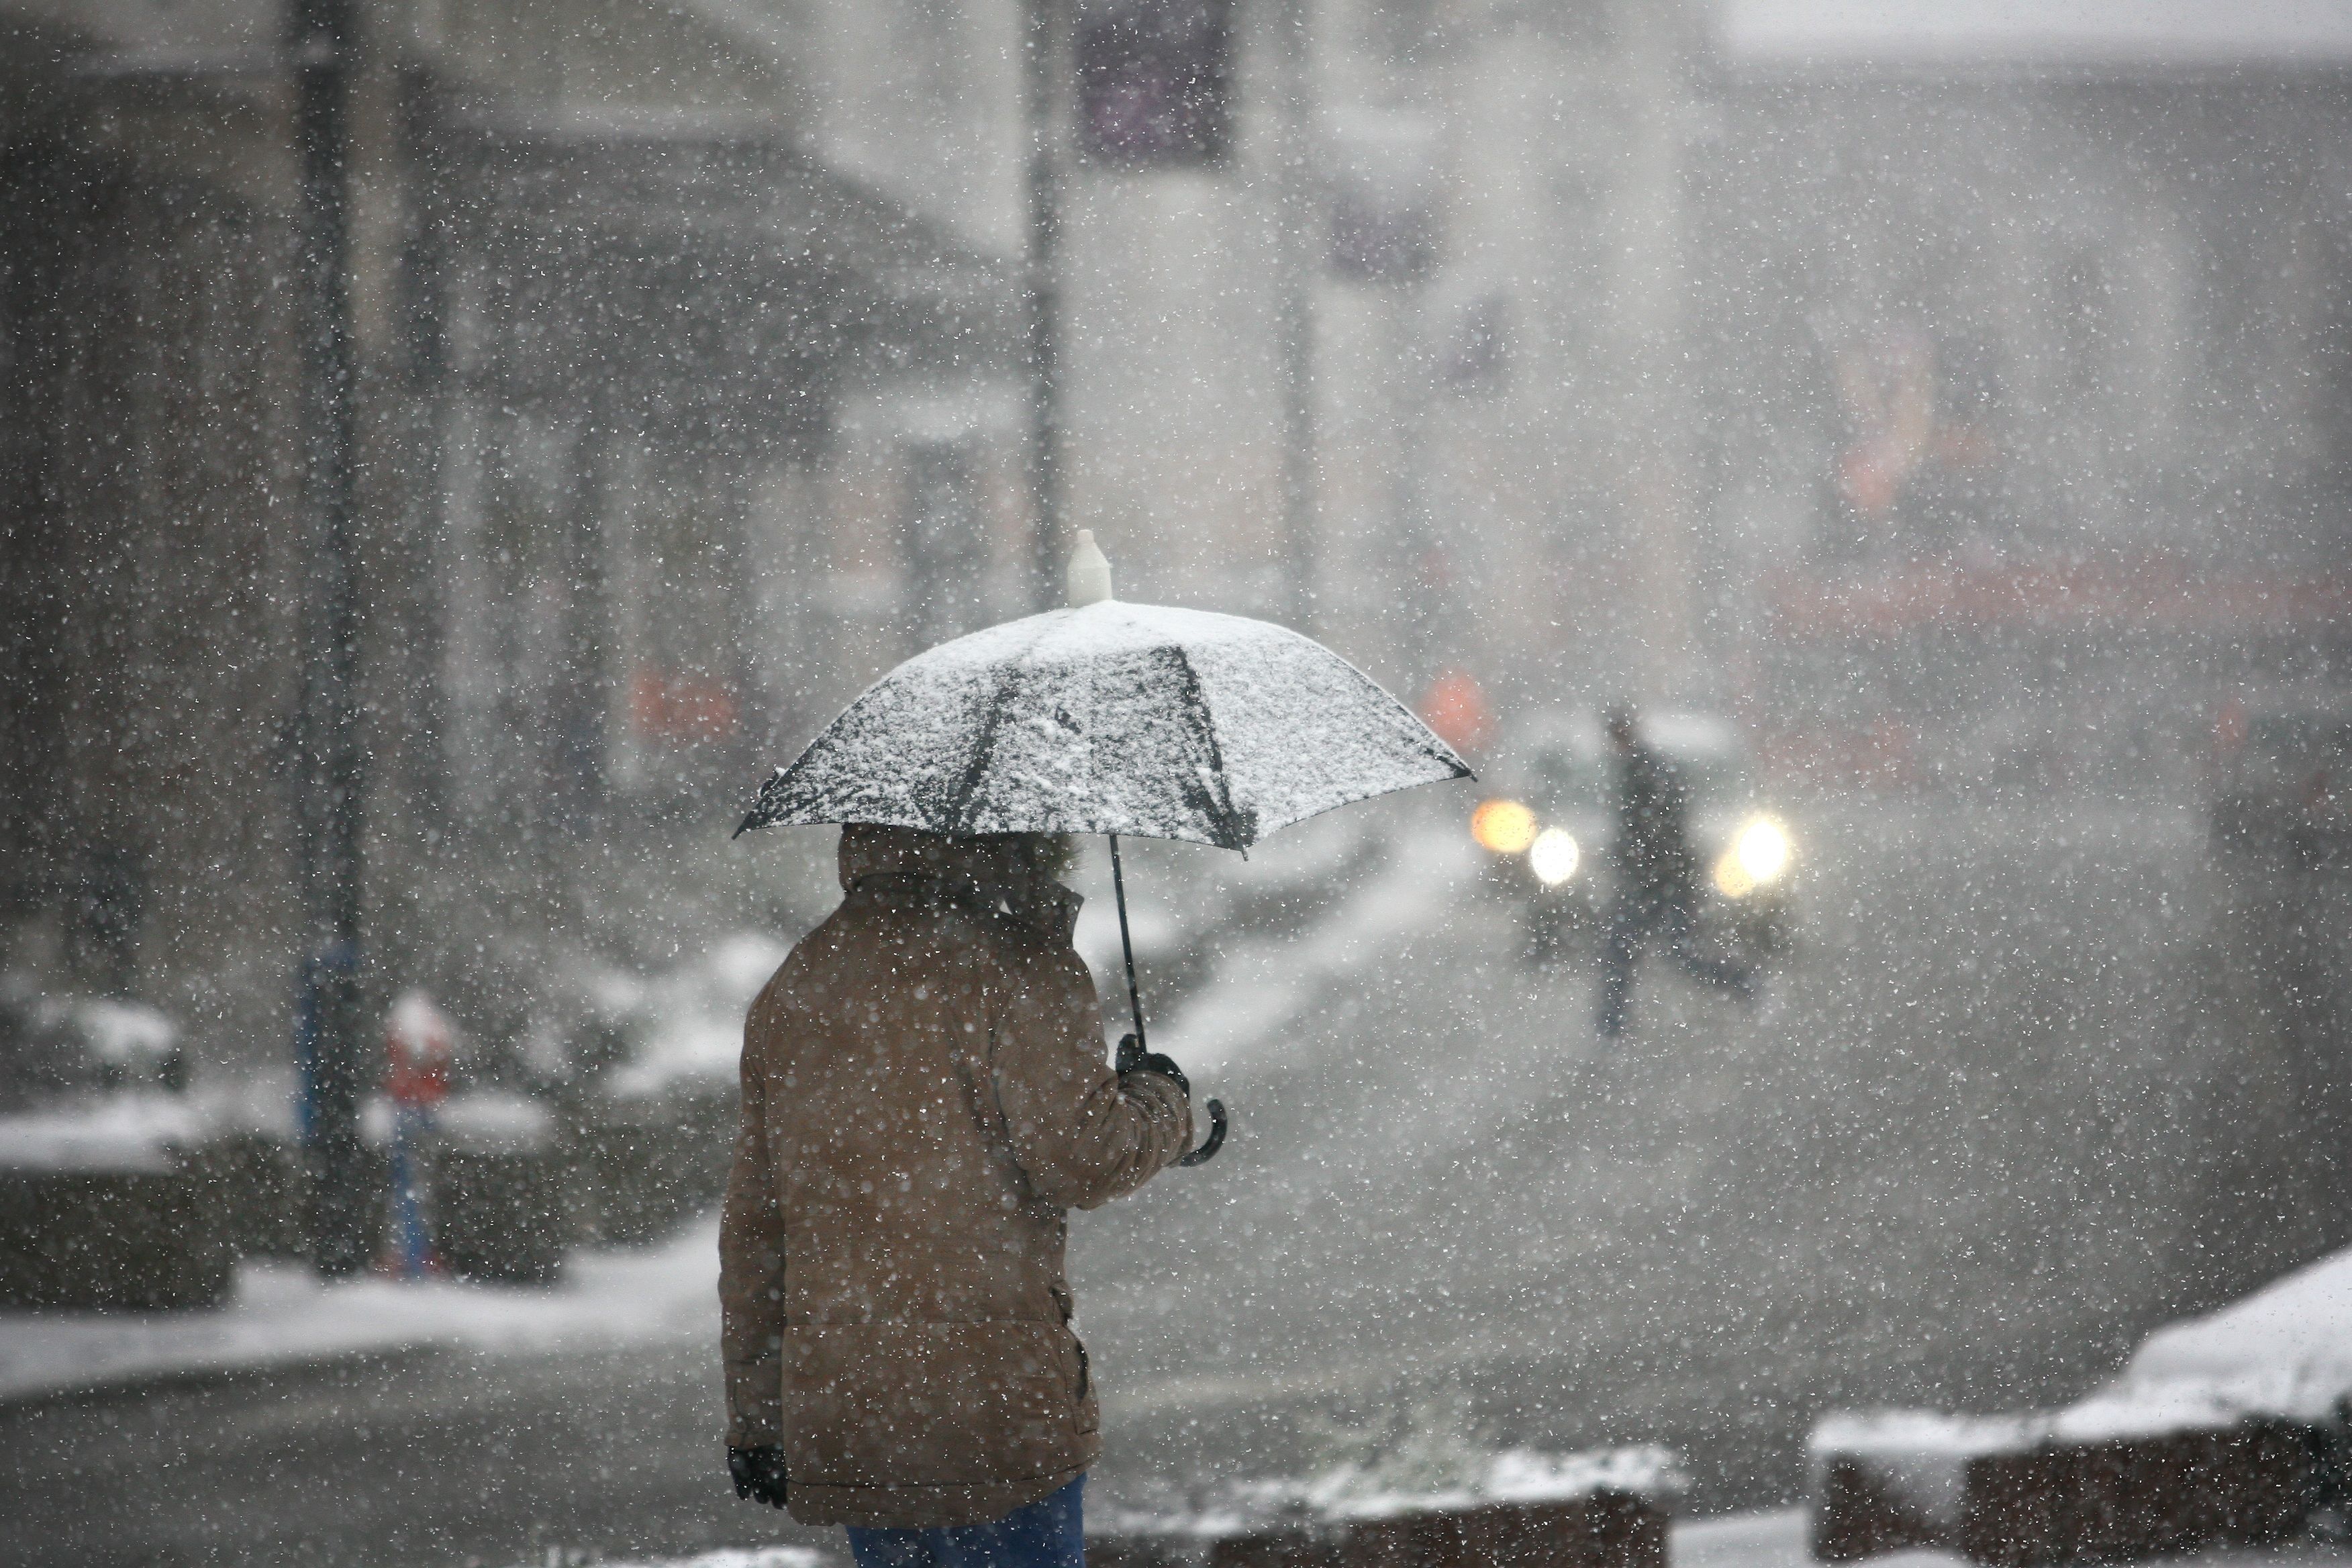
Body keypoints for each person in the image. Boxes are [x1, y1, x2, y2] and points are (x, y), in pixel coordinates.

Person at [720, 823, 1195, 1568]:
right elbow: (1086, 1157)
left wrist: (757, 1418)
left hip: (855, 1410)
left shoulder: (801, 979)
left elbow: (756, 1226)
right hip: (995, 1404)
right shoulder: (1023, 966)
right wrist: (1162, 1098)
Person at [1596, 705, 1753, 1037]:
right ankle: (1611, 1025)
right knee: (1644, 952)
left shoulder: (1645, 772)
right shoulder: (1639, 769)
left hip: (1659, 881)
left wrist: (1648, 865)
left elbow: (1662, 831)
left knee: (1657, 952)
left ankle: (1744, 984)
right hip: (1657, 881)